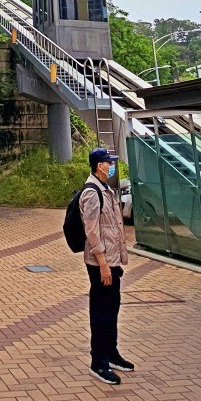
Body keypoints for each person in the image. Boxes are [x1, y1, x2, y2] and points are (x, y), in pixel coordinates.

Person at [81, 147, 132, 385]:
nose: (112, 166)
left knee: (112, 309)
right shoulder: (92, 193)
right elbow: (92, 231)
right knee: (101, 312)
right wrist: (102, 264)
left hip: (112, 261)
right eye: (109, 162)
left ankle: (111, 353)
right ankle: (98, 361)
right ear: (99, 165)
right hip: (101, 264)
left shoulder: (106, 190)